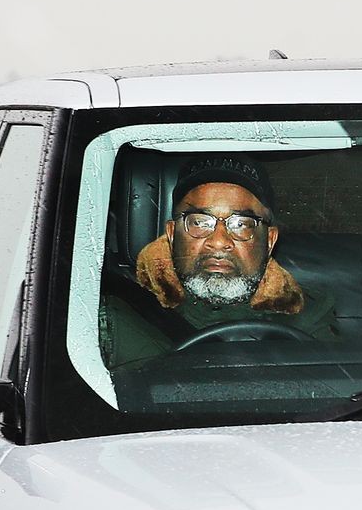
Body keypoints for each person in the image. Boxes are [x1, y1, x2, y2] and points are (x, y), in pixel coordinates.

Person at [99, 155, 337, 367]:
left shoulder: (307, 316)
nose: (219, 241)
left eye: (241, 224)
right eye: (200, 222)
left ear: (270, 240)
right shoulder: (114, 319)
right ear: (172, 234)